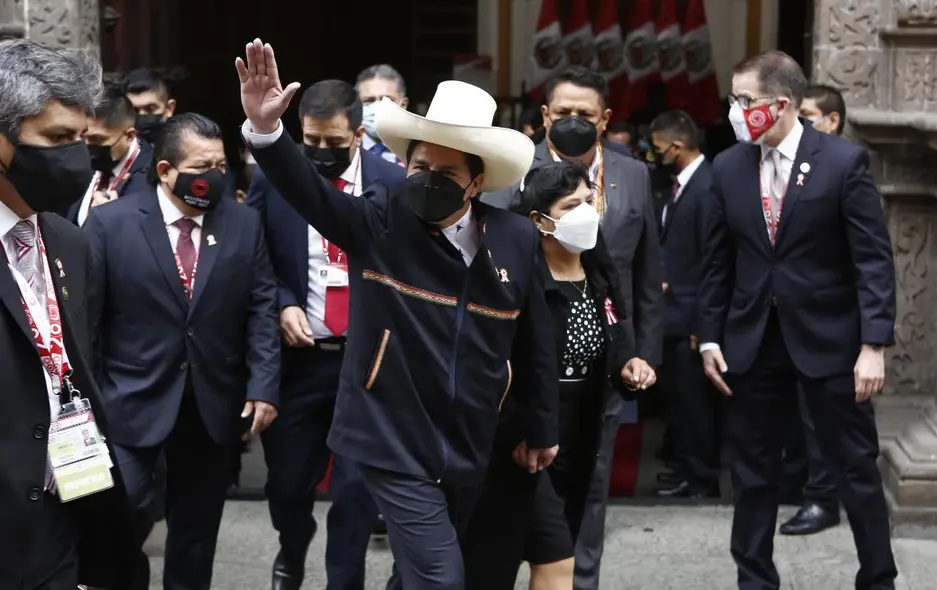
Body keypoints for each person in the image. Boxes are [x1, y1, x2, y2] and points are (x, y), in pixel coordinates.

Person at [236, 39, 558, 590]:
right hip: (388, 433)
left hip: (469, 437)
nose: (428, 177)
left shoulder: (515, 238)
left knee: (417, 571)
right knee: (441, 576)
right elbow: (310, 194)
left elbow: (534, 342)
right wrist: (266, 133)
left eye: (447, 172)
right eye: (419, 165)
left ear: (477, 182)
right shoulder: (381, 221)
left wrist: (540, 426)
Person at [699, 51, 897, 589]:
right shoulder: (727, 165)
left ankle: (878, 578)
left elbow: (872, 258)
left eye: (746, 101)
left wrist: (873, 344)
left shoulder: (842, 162)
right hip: (753, 341)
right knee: (754, 473)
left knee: (855, 469)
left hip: (831, 341)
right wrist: (709, 338)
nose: (737, 112)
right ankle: (755, 580)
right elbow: (719, 261)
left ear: (781, 103)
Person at [85, 112, 281, 590]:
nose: (212, 175)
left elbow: (260, 309)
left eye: (219, 165)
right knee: (121, 515)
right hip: (129, 397)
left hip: (211, 401)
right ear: (166, 170)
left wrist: (263, 386)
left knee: (196, 532)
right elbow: (87, 319)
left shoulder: (243, 223)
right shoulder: (111, 224)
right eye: (201, 165)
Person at [482, 65, 660, 590]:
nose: (573, 122)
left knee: (589, 492)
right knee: (516, 513)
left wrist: (640, 354)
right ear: (544, 117)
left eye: (585, 114)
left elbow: (645, 275)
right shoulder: (512, 173)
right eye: (563, 113)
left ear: (604, 119)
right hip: (527, 384)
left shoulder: (632, 174)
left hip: (600, 369)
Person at [246, 78, 405, 590]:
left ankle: (345, 581)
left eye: (334, 144)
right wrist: (283, 303)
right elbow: (254, 258)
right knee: (288, 486)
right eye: (310, 143)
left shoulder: (392, 182)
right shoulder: (276, 180)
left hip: (366, 363)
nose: (320, 154)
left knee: (357, 490)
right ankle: (292, 547)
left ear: (358, 135)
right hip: (302, 359)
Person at [0, 38, 136, 590]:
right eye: (56, 139)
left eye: (83, 138)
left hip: (67, 511)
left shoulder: (67, 243)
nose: (76, 158)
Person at [777, 83, 850, 537]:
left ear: (832, 120)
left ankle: (824, 498)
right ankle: (800, 483)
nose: (800, 123)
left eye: (808, 115)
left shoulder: (845, 167)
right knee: (795, 411)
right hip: (788, 314)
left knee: (822, 415)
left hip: (829, 317)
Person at [649, 110, 721, 499]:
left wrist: (702, 326)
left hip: (692, 318)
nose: (655, 155)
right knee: (679, 403)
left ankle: (702, 480)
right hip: (674, 314)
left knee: (696, 408)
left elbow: (711, 262)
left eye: (659, 149)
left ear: (676, 147)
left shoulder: (707, 188)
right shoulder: (679, 186)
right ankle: (685, 470)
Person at [66, 84, 153, 225]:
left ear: (129, 136)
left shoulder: (152, 180)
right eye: (82, 137)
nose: (86, 146)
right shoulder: (75, 164)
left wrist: (109, 221)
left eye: (96, 139)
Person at [356, 64, 408, 167]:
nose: (377, 107)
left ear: (403, 105)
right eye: (368, 100)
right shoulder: (346, 150)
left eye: (387, 100)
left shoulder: (417, 151)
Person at [121, 68, 177, 144]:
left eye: (150, 109)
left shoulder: (182, 147)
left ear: (169, 108)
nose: (141, 116)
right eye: (134, 110)